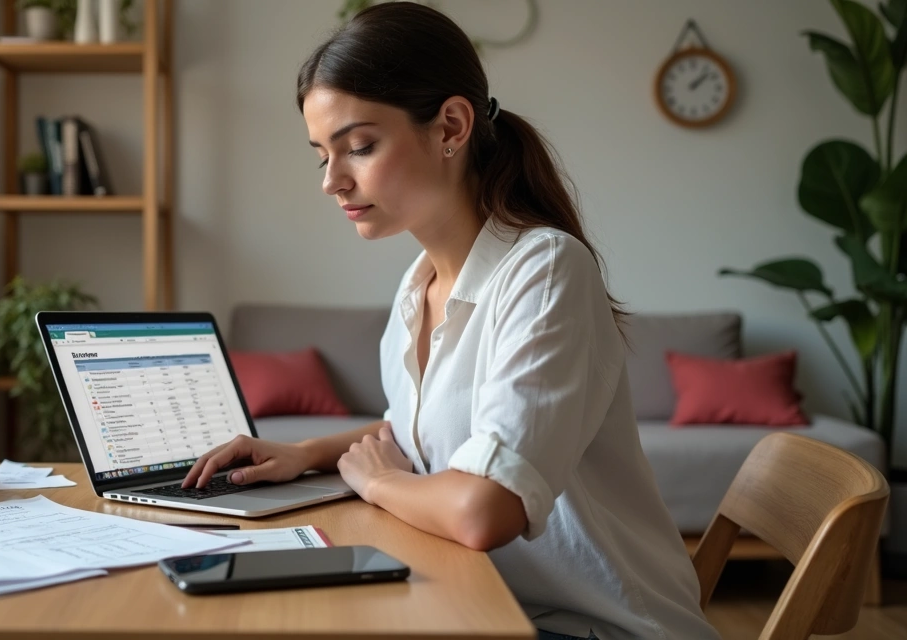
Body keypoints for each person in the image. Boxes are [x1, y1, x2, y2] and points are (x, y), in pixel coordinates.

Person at [182, 3, 718, 638]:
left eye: (359, 146)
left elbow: (483, 511)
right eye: (321, 155)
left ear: (451, 127)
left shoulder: (543, 270)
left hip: (591, 626)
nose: (332, 180)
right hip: (490, 607)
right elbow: (427, 431)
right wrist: (303, 454)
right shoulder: (419, 288)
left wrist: (379, 483)